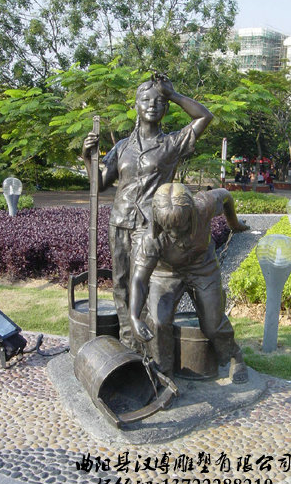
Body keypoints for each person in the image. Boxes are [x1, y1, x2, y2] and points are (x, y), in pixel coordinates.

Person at [82, 75, 213, 350]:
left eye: (159, 101)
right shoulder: (122, 147)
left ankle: (147, 349)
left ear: (165, 108)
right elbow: (99, 185)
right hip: (120, 221)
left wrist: (173, 94)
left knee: (142, 284)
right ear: (136, 106)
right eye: (145, 100)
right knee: (120, 284)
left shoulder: (172, 144)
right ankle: (128, 345)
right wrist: (87, 157)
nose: (152, 105)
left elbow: (204, 117)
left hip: (150, 225)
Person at [130, 183, 249, 384]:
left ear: (192, 214)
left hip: (203, 268)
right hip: (165, 273)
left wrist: (235, 224)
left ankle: (233, 355)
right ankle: (164, 370)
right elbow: (139, 280)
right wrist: (134, 317)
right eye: (169, 229)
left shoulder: (204, 204)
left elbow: (227, 197)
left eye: (182, 227)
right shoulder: (149, 238)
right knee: (158, 322)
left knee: (213, 323)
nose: (176, 234)